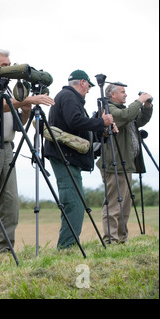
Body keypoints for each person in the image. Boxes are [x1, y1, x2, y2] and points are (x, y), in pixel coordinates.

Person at [0, 49, 55, 255]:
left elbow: (17, 124)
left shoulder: (7, 90)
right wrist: (27, 101)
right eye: (3, 66)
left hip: (7, 147)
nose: (8, 69)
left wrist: (25, 111)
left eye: (9, 65)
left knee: (10, 202)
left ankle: (5, 249)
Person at [44, 70, 115, 250]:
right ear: (82, 82)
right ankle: (67, 247)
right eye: (89, 86)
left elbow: (77, 127)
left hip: (69, 157)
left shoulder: (69, 97)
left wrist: (101, 129)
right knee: (73, 202)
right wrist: (101, 122)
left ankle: (69, 245)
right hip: (65, 156)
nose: (89, 90)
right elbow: (75, 121)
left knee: (76, 201)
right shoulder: (68, 96)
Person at [96, 84, 153, 244]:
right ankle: (110, 240)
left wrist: (147, 106)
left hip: (125, 163)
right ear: (112, 94)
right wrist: (139, 100)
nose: (126, 95)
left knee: (125, 205)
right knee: (113, 203)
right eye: (123, 92)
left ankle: (121, 239)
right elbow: (127, 115)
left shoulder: (123, 110)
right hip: (114, 163)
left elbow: (139, 120)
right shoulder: (109, 110)